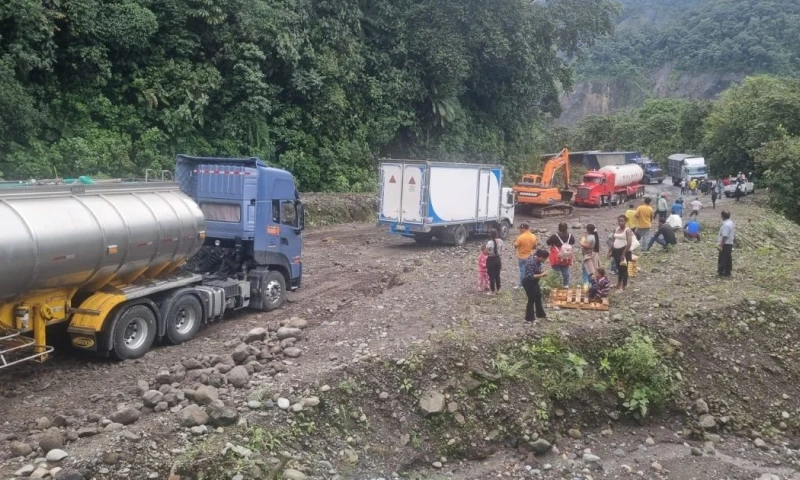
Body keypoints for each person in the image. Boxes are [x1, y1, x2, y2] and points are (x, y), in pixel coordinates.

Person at [522, 249, 550, 323]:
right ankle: (529, 318)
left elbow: (537, 271)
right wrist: (541, 275)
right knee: (531, 299)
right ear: (540, 257)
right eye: (545, 258)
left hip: (535, 282)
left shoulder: (538, 261)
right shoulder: (531, 262)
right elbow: (530, 276)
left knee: (538, 297)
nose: (545, 260)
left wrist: (542, 273)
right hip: (528, 282)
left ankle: (540, 314)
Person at [609, 215, 634, 291]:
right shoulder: (616, 229)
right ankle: (618, 283)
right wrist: (610, 251)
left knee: (624, 269)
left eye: (622, 221)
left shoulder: (627, 230)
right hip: (616, 251)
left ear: (625, 221)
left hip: (624, 251)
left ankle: (624, 285)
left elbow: (629, 243)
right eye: (619, 221)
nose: (620, 222)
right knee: (618, 268)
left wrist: (623, 254)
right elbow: (613, 241)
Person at [546, 223, 575, 287]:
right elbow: (573, 242)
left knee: (556, 271)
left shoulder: (554, 236)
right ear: (566, 228)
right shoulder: (570, 236)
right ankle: (566, 285)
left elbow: (548, 242)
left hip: (556, 255)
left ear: (558, 228)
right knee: (565, 270)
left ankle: (557, 285)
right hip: (566, 256)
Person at [717, 210, 735, 277]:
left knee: (722, 258)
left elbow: (724, 236)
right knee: (728, 258)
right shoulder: (731, 223)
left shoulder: (726, 225)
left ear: (722, 216)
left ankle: (721, 272)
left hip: (725, 244)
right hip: (729, 243)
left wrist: (721, 245)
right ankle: (728, 272)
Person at [485, 229, 503, 294]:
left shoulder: (489, 243)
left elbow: (486, 252)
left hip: (491, 259)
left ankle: (492, 290)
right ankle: (498, 289)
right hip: (498, 259)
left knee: (491, 276)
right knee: (497, 275)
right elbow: (501, 249)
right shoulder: (500, 241)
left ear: (490, 235)